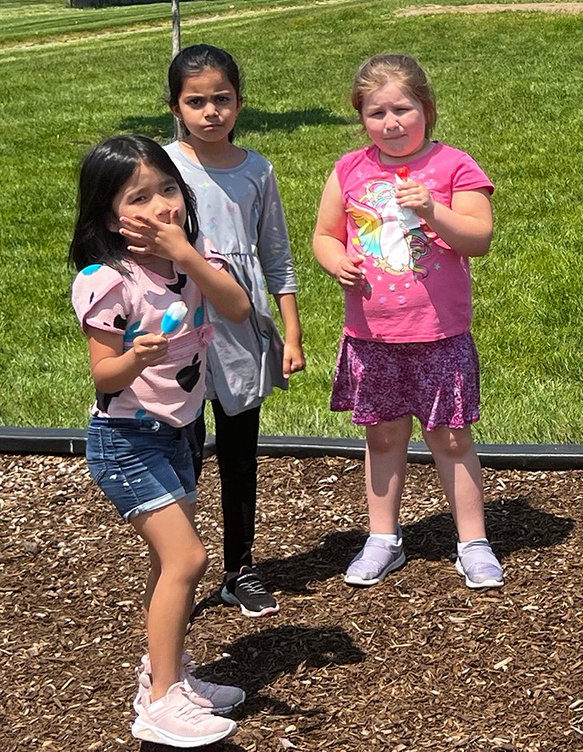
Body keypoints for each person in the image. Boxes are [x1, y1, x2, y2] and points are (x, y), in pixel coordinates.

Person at [69, 135, 251, 747]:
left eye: (168, 190)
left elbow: (236, 305)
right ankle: (160, 703)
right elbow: (103, 377)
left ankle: (166, 676)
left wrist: (188, 254)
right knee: (188, 559)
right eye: (139, 198)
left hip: (178, 432)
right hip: (126, 439)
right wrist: (133, 357)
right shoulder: (107, 280)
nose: (161, 207)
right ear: (110, 217)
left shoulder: (193, 257)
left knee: (164, 562)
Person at [312, 54, 503, 590]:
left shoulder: (453, 166)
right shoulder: (349, 169)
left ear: (427, 109)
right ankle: (382, 538)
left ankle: (473, 541)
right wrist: (335, 261)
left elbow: (479, 238)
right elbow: (325, 234)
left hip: (439, 334)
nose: (391, 122)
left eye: (403, 108)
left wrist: (432, 211)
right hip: (372, 336)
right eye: (376, 113)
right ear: (361, 118)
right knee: (383, 437)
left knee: (452, 439)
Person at [165, 44, 306, 618]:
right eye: (196, 101)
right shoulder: (162, 166)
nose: (210, 112)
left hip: (242, 326)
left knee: (240, 449)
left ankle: (240, 568)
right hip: (181, 326)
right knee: (183, 452)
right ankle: (179, 569)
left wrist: (291, 333)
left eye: (221, 99)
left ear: (240, 103)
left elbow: (277, 255)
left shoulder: (257, 170)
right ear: (176, 106)